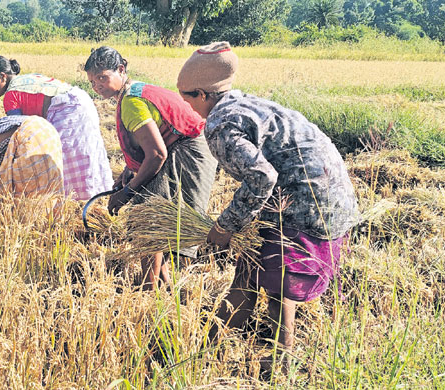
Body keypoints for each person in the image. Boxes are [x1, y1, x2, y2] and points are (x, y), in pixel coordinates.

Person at [176, 42, 360, 369]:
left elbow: (262, 178)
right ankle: (206, 351)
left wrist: (224, 228)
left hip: (305, 203)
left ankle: (279, 364)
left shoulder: (220, 123)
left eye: (187, 96)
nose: (185, 104)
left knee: (274, 285)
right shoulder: (246, 104)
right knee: (250, 275)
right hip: (332, 195)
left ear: (203, 94)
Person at [84, 46, 217, 291]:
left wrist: (127, 192)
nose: (97, 85)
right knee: (155, 213)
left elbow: (156, 154)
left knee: (150, 216)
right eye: (92, 81)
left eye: (102, 77)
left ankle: (149, 286)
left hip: (189, 150)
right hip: (182, 145)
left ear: (121, 70)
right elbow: (149, 143)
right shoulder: (131, 92)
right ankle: (161, 281)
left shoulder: (132, 101)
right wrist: (130, 169)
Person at [0, 55, 112, 201]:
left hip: (66, 110)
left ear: (2, 77)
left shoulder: (11, 95)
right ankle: (95, 199)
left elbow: (17, 131)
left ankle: (72, 203)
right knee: (86, 155)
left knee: (60, 160)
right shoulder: (26, 79)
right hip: (82, 101)